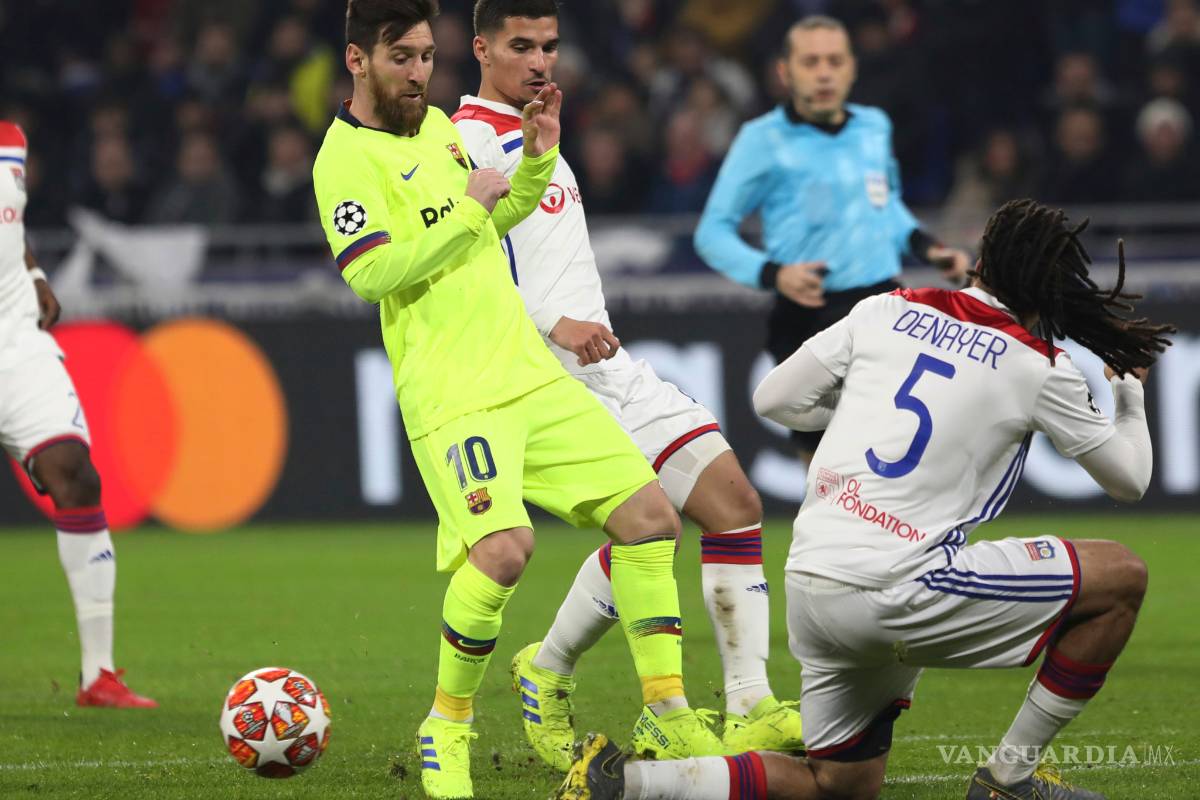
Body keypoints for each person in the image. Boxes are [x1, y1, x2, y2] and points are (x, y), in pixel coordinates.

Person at [557, 199, 1174, 800]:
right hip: (903, 586)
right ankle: (1009, 780)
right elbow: (1130, 481)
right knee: (1121, 576)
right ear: (1053, 287)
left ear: (981, 261)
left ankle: (622, 782)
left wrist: (852, 410)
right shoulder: (1038, 366)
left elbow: (773, 400)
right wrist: (1129, 397)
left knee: (841, 786)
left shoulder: (886, 309)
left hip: (812, 585)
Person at [311, 2, 718, 797]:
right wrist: (469, 208)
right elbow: (370, 274)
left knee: (650, 518)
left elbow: (501, 213)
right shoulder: (343, 161)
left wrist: (535, 161)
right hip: (454, 391)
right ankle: (448, 725)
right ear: (359, 60)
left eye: (427, 58)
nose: (420, 75)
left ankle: (668, 707)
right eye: (403, 59)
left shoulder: (437, 131)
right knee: (503, 553)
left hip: (526, 371)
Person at [452, 0, 801, 773]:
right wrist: (551, 326)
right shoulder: (465, 141)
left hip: (610, 367)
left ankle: (746, 704)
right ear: (481, 48)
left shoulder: (536, 131)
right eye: (521, 46)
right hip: (546, 373)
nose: (540, 61)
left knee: (734, 503)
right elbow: (462, 269)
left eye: (548, 45)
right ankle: (589, 686)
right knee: (651, 526)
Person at [694, 15, 970, 460]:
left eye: (834, 61)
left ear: (851, 69)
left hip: (883, 306)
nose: (824, 72)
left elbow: (887, 207)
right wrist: (772, 274)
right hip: (808, 314)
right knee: (826, 466)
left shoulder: (874, 126)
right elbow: (712, 232)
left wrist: (930, 249)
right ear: (785, 72)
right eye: (811, 61)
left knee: (890, 454)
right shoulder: (761, 140)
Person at [0, 121, 156, 709]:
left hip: (16, 338)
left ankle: (99, 675)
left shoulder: (10, 139)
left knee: (77, 473)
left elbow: (9, 222)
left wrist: (35, 274)